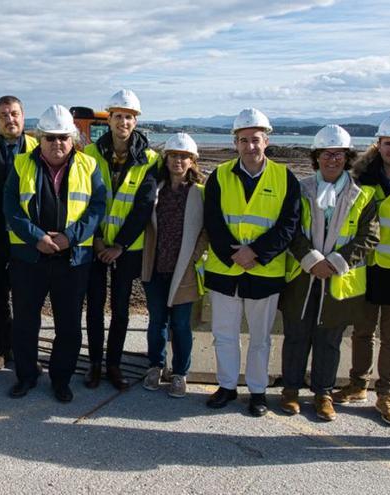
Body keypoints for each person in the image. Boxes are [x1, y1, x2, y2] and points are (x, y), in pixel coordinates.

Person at [4, 104, 106, 402]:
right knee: (24, 321)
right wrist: (36, 238)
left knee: (69, 324)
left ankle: (61, 380)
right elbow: (11, 208)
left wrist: (68, 239)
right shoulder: (21, 164)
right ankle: (26, 376)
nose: (57, 143)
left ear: (73, 138)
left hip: (72, 260)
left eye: (63, 137)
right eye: (50, 137)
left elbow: (97, 209)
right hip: (29, 258)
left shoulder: (89, 166)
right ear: (39, 139)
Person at [203, 108, 301, 417]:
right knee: (225, 334)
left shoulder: (285, 177)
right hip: (225, 269)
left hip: (264, 271)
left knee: (260, 338)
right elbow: (213, 221)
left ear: (267, 140)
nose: (250, 146)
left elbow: (289, 224)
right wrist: (235, 254)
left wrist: (255, 252)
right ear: (235, 143)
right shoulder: (219, 176)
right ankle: (227, 386)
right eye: (243, 140)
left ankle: (258, 392)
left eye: (255, 139)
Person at [279, 125, 378, 421]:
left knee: (329, 340)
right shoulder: (301, 188)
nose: (332, 159)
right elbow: (291, 228)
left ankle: (323, 393)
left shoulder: (363, 195)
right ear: (316, 156)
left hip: (338, 281)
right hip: (302, 277)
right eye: (326, 153)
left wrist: (333, 262)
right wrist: (311, 260)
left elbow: (369, 237)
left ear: (347, 157)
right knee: (296, 336)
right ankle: (291, 391)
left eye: (338, 154)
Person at [83, 89, 161, 390]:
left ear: (136, 120)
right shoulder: (89, 154)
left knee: (120, 308)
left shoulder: (150, 159)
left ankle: (113, 364)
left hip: (127, 249)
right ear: (110, 119)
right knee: (94, 306)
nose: (123, 122)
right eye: (118, 116)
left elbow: (144, 206)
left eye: (129, 117)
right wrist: (99, 239)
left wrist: (119, 246)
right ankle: (94, 364)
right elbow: (85, 199)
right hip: (96, 244)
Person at [333, 115, 390, 426]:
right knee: (362, 332)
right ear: (378, 145)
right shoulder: (362, 177)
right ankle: (358, 384)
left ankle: (386, 393)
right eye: (389, 143)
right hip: (366, 267)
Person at [139, 133, 207, 398]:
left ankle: (180, 373)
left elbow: (207, 231)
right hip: (155, 266)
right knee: (157, 322)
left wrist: (194, 256)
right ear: (166, 159)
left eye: (184, 156)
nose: (178, 161)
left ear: (192, 161)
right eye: (174, 156)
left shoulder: (200, 193)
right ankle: (155, 366)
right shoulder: (154, 189)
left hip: (185, 269)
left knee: (180, 324)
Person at [0, 96, 38, 371]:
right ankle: (3, 348)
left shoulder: (38, 147)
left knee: (27, 296)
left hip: (26, 236)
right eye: (3, 115)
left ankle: (27, 353)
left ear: (23, 116)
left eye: (14, 114)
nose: (9, 119)